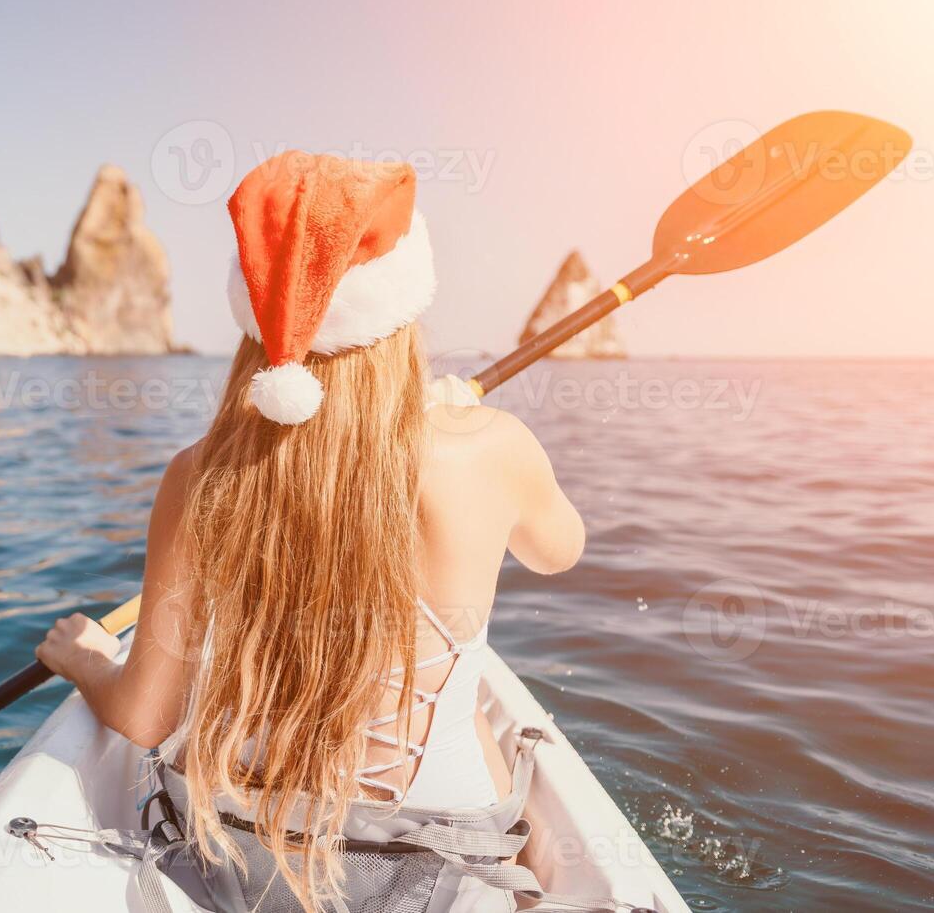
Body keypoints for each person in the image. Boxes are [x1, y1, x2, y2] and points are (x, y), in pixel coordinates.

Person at [36, 151, 585, 913]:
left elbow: (148, 715)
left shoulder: (196, 474)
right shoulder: (491, 447)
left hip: (232, 853)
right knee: (486, 732)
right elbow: (560, 551)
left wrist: (91, 662)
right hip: (428, 864)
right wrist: (471, 427)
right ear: (402, 309)